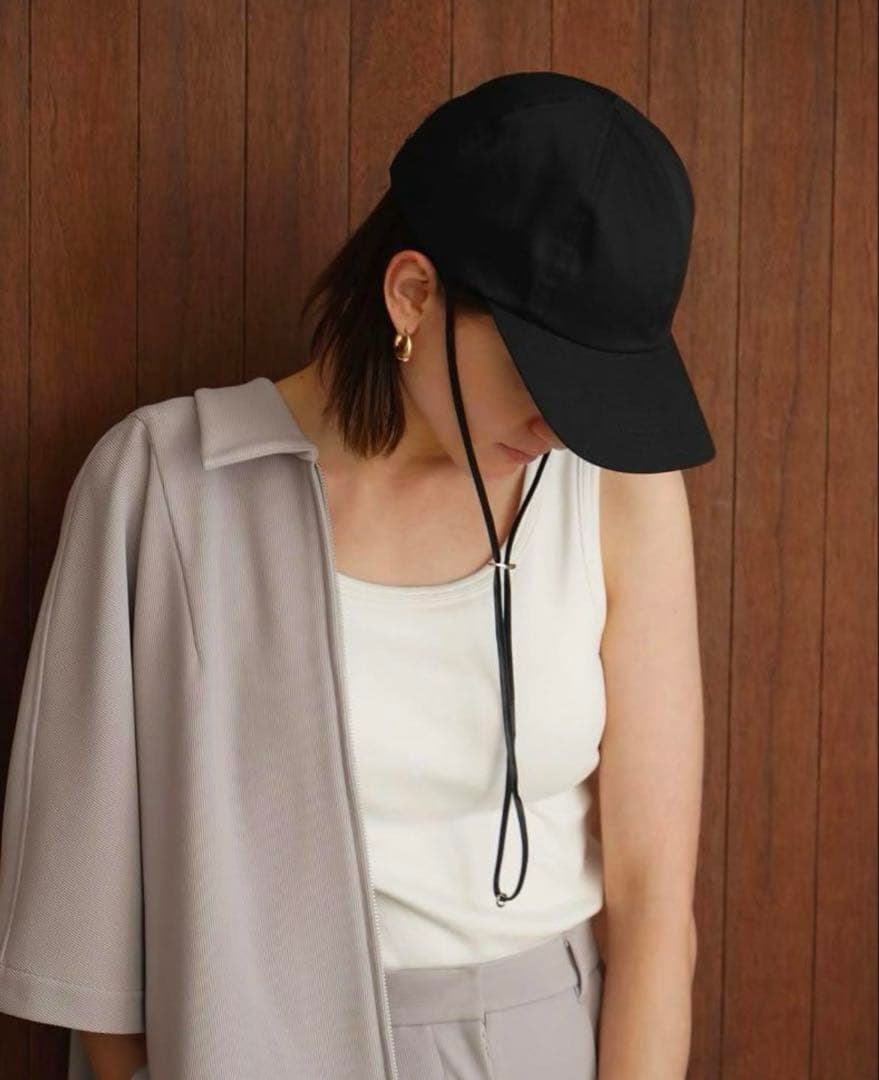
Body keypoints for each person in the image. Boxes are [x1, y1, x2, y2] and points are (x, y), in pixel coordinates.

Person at [0, 72, 711, 1079]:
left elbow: (654, 907)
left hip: (540, 1040)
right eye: (546, 376)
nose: (563, 426)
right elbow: (92, 937)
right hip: (244, 1045)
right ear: (412, 293)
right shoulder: (166, 485)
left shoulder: (614, 491)